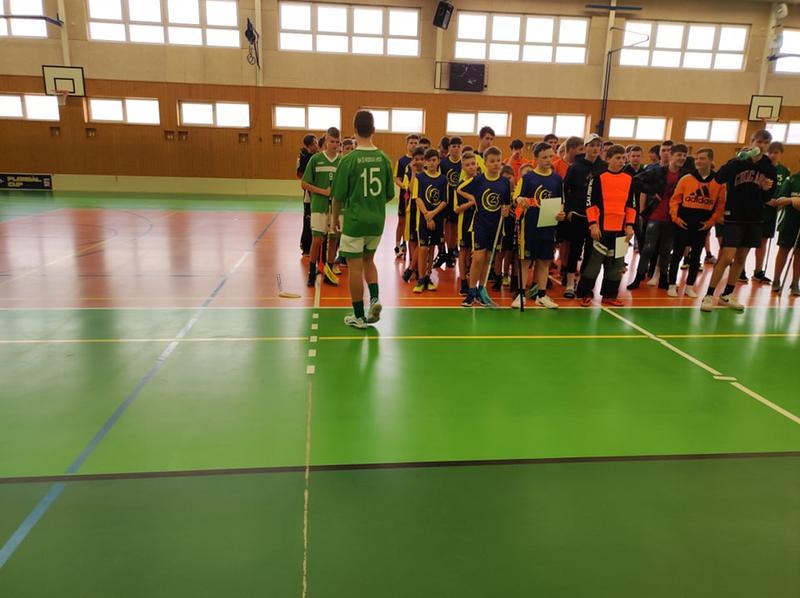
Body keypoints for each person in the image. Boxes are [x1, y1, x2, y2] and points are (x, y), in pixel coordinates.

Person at [700, 129, 777, 313]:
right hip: (734, 215)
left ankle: (727, 294)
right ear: (751, 142)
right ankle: (709, 295)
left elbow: (768, 197)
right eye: (758, 141)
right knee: (727, 257)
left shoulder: (769, 167)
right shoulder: (739, 162)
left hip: (754, 218)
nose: (761, 145)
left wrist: (766, 189)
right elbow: (719, 178)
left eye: (765, 143)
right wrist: (736, 159)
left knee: (741, 257)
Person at [331, 110, 394, 329]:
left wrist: (335, 220)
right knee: (369, 260)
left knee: (355, 267)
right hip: (376, 222)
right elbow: (389, 194)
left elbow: (338, 197)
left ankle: (358, 316)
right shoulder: (384, 159)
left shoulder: (348, 160)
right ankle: (374, 299)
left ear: (355, 130)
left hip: (355, 222)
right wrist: (373, 205)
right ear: (374, 130)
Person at [576, 145, 636, 307]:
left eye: (623, 158)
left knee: (616, 265)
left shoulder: (629, 179)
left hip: (620, 231)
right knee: (593, 264)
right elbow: (589, 203)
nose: (621, 161)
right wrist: (593, 225)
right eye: (617, 158)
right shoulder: (597, 177)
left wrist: (630, 225)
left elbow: (631, 205)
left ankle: (610, 295)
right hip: (600, 230)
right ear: (608, 159)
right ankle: (585, 293)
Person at [628, 143, 689, 290]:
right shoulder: (658, 171)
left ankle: (663, 278)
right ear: (671, 156)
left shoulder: (686, 175)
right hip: (655, 215)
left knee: (666, 250)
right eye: (679, 155)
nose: (682, 158)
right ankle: (638, 277)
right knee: (647, 249)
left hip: (673, 217)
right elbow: (636, 181)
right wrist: (652, 191)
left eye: (684, 155)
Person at [666, 148, 726, 298]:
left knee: (696, 256)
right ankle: (672, 284)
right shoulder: (686, 179)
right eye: (697, 158)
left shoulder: (718, 182)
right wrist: (676, 218)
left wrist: (711, 222)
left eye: (702, 158)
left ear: (710, 160)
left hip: (702, 224)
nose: (698, 161)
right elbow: (675, 200)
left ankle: (689, 286)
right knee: (677, 255)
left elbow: (720, 205)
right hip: (683, 221)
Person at [457, 146, 512, 307]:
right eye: (492, 161)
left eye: (498, 161)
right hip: (480, 224)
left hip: (496, 226)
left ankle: (482, 290)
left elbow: (507, 203)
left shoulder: (504, 182)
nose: (496, 164)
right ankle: (471, 291)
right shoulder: (478, 180)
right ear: (485, 163)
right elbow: (460, 189)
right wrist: (474, 199)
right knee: (478, 258)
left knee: (488, 259)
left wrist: (506, 210)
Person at [513, 142, 565, 309]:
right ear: (535, 158)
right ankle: (520, 294)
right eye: (544, 157)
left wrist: (561, 214)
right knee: (525, 261)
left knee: (544, 260)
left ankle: (541, 295)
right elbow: (516, 198)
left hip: (548, 226)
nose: (548, 160)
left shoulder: (557, 179)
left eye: (551, 156)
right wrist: (520, 200)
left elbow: (560, 202)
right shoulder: (527, 178)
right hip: (529, 226)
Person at [561, 133, 607, 298]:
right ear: (585, 147)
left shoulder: (604, 167)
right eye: (591, 145)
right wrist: (568, 210)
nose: (595, 149)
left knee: (590, 251)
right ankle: (569, 283)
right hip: (578, 214)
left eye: (598, 145)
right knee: (575, 249)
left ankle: (584, 284)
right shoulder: (575, 167)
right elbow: (565, 189)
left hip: (596, 217)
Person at [301, 127, 341, 287]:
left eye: (337, 142)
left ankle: (328, 273)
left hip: (336, 208)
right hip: (319, 206)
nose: (335, 145)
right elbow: (304, 183)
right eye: (332, 141)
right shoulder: (316, 159)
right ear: (326, 141)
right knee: (317, 240)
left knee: (333, 240)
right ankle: (312, 273)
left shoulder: (342, 162)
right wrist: (323, 192)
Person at [752, 141, 791, 283]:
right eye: (770, 152)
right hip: (758, 208)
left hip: (772, 211)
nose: (772, 155)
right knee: (749, 240)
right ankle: (740, 270)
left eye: (776, 152)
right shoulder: (760, 167)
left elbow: (784, 190)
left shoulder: (785, 171)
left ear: (781, 154)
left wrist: (778, 201)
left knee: (764, 241)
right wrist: (766, 200)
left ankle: (758, 271)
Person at [412, 149, 449, 293]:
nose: (432, 163)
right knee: (423, 248)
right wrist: (427, 215)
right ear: (425, 163)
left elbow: (444, 201)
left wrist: (433, 214)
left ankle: (428, 276)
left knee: (432, 247)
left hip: (437, 218)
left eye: (434, 160)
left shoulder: (443, 179)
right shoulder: (420, 178)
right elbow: (418, 198)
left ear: (438, 161)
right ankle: (421, 279)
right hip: (423, 218)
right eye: (429, 160)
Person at [771, 172, 800, 295]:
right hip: (788, 223)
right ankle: (776, 280)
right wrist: (792, 200)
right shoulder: (791, 180)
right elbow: (779, 200)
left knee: (799, 254)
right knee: (783, 250)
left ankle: (795, 283)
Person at [455, 151, 479, 295]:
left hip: (479, 223)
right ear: (463, 167)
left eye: (473, 164)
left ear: (477, 165)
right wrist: (471, 202)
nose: (471, 167)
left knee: (477, 253)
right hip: (464, 222)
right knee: (463, 251)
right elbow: (457, 208)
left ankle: (474, 282)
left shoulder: (481, 182)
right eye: (467, 165)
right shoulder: (460, 186)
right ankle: (463, 280)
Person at [402, 147, 426, 283]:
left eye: (422, 159)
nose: (419, 162)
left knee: (422, 240)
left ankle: (413, 268)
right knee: (412, 240)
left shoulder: (429, 175)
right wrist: (413, 173)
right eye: (417, 159)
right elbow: (410, 189)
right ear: (412, 161)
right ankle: (414, 266)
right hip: (412, 210)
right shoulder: (408, 174)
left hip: (424, 211)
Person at [394, 134, 420, 260]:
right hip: (405, 196)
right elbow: (397, 179)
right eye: (411, 143)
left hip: (416, 197)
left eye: (416, 143)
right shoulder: (401, 161)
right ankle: (397, 245)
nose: (413, 145)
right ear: (407, 144)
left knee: (413, 223)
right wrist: (404, 186)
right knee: (402, 221)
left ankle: (408, 244)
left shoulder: (421, 160)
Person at [297, 134, 319, 256]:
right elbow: (299, 175)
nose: (316, 145)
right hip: (308, 193)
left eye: (316, 142)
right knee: (307, 220)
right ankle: (306, 246)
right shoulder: (303, 157)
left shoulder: (318, 156)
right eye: (313, 144)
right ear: (308, 146)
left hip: (317, 192)